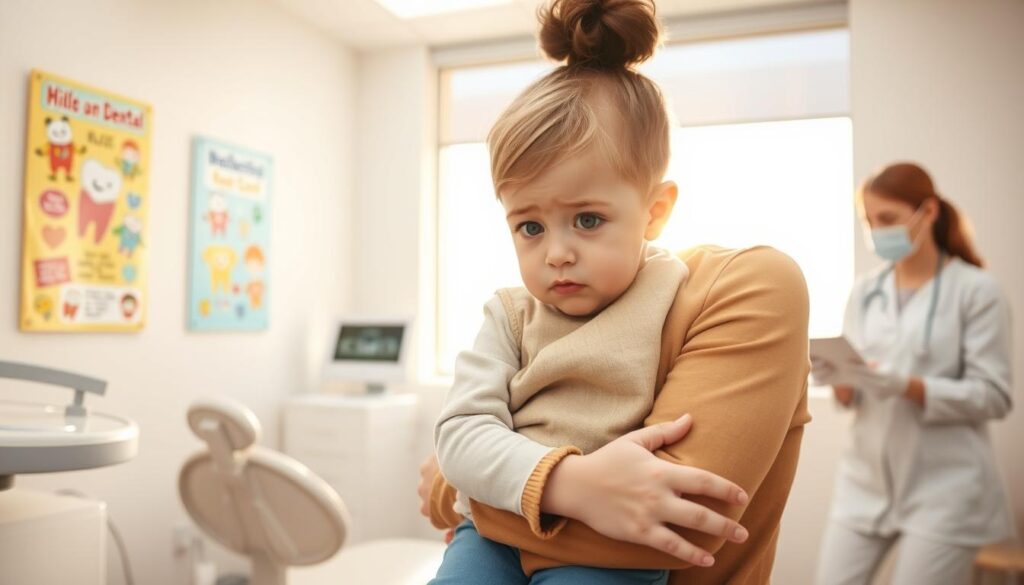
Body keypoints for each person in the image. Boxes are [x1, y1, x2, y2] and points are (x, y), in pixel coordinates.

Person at [421, 1, 813, 583]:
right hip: (487, 542)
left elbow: (669, 517)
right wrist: (562, 485)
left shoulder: (686, 295)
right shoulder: (509, 313)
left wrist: (474, 489)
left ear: (655, 211)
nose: (556, 251)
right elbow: (460, 433)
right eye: (529, 226)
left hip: (604, 562)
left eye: (586, 220)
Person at [813, 162, 1015, 585]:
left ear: (929, 212)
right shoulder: (866, 291)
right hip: (864, 482)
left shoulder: (976, 291)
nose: (877, 232)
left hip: (947, 490)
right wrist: (838, 376)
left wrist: (910, 387)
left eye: (887, 219)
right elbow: (852, 395)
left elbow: (994, 395)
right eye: (870, 222)